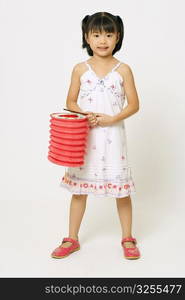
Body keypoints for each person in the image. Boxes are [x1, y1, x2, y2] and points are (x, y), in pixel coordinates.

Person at [51, 12, 141, 260]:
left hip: (113, 137)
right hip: (85, 138)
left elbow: (134, 104)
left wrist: (112, 118)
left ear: (117, 37)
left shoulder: (124, 70)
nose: (103, 40)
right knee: (79, 190)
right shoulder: (80, 68)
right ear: (87, 37)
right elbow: (70, 100)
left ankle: (127, 237)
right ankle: (72, 238)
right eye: (97, 34)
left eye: (109, 34)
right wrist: (84, 114)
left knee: (121, 191)